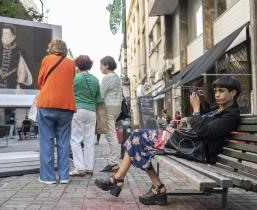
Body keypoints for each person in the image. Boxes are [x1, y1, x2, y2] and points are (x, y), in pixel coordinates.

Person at [95, 76, 241, 205]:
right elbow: (203, 122)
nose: (217, 94)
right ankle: (135, 182)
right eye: (215, 91)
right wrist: (202, 105)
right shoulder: (219, 109)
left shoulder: (231, 115)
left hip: (198, 151)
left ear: (233, 93)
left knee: (137, 137)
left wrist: (196, 109)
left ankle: (128, 181)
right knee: (136, 139)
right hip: (188, 144)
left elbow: (203, 131)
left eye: (221, 91)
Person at [37, 39, 76, 184]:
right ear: (64, 50)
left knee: (46, 141)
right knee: (64, 142)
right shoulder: (71, 63)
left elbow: (40, 81)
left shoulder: (47, 59)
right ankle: (64, 176)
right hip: (66, 106)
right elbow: (70, 80)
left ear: (51, 48)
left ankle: (48, 177)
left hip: (47, 104)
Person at [70, 55, 103, 177]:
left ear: (77, 65)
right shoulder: (95, 79)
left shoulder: (75, 78)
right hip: (91, 111)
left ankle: (79, 168)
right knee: (89, 140)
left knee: (75, 139)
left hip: (77, 110)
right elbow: (99, 99)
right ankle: (89, 168)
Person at [99, 56, 122, 172]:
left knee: (110, 135)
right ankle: (114, 161)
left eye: (101, 65)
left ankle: (114, 162)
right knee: (111, 134)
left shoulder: (108, 77)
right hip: (116, 108)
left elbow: (101, 95)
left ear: (107, 65)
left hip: (108, 108)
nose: (100, 68)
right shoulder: (117, 77)